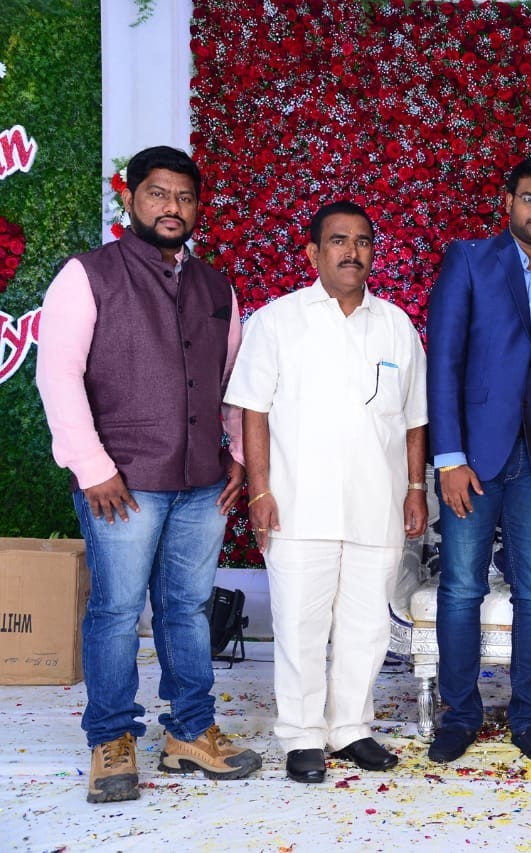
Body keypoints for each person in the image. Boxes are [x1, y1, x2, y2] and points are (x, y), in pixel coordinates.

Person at [35, 145, 262, 803]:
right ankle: (111, 738)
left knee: (187, 608)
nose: (172, 207)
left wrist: (238, 455)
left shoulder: (217, 287)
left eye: (184, 197)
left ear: (197, 208)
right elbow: (58, 375)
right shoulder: (87, 275)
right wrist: (92, 467)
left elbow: (233, 382)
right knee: (115, 610)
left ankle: (190, 730)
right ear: (130, 199)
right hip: (121, 484)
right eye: (158, 194)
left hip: (202, 483)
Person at [224, 201, 427, 784]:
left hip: (377, 502)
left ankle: (350, 729)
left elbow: (414, 418)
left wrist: (416, 488)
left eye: (362, 241)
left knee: (366, 628)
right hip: (298, 503)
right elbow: (254, 411)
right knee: (299, 626)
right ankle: (302, 736)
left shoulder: (396, 325)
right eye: (339, 240)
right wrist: (259, 491)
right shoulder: (278, 321)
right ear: (314, 252)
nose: (351, 252)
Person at [426, 157, 531, 764]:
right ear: (508, 202)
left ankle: (528, 718)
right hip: (472, 457)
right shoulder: (469, 260)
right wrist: (449, 457)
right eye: (530, 199)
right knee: (461, 586)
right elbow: (444, 360)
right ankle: (459, 716)